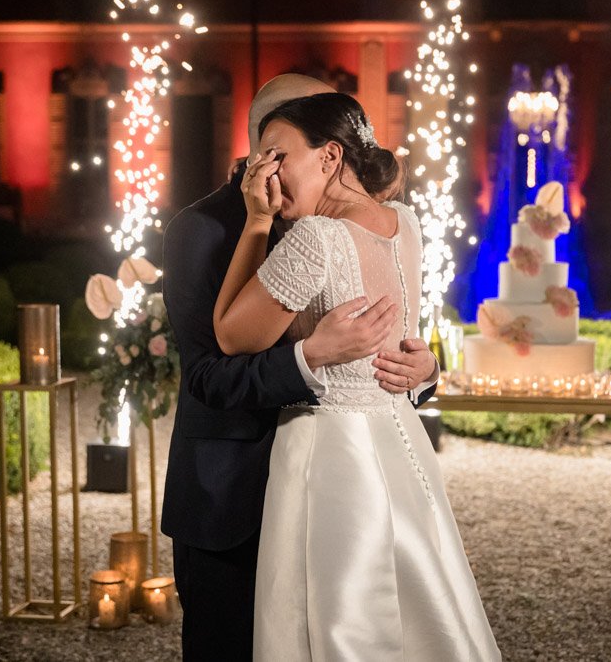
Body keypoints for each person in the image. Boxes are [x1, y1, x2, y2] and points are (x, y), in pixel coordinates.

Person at [161, 74, 441, 661]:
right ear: (265, 139)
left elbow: (393, 324)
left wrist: (421, 370)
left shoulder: (360, 221)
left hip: (341, 488)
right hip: (231, 496)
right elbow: (209, 376)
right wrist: (309, 358)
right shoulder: (200, 228)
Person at [213, 92, 500, 661]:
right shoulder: (407, 225)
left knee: (331, 616)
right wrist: (426, 368)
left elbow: (229, 335)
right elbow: (407, 345)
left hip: (328, 452)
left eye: (276, 155)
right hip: (400, 441)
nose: (261, 171)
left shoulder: (316, 239)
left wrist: (257, 220)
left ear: (329, 157)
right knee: (416, 606)